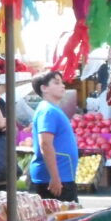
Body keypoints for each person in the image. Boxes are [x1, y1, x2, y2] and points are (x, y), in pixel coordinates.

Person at [29, 69, 79, 203]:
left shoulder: (52, 109)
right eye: (56, 83)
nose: (62, 86)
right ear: (44, 88)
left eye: (62, 82)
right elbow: (45, 144)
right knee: (63, 220)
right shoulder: (48, 111)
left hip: (62, 175)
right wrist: (55, 177)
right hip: (55, 178)